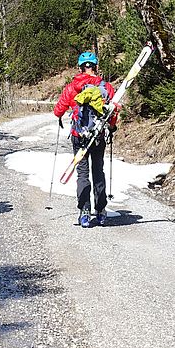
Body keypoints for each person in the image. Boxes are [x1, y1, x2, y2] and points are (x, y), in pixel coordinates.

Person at [53, 51, 117, 228]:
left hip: (79, 137)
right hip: (98, 136)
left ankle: (84, 212)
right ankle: (101, 211)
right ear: (95, 67)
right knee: (98, 171)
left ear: (80, 67)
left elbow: (58, 111)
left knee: (82, 173)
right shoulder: (106, 87)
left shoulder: (73, 86)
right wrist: (112, 127)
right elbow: (112, 112)